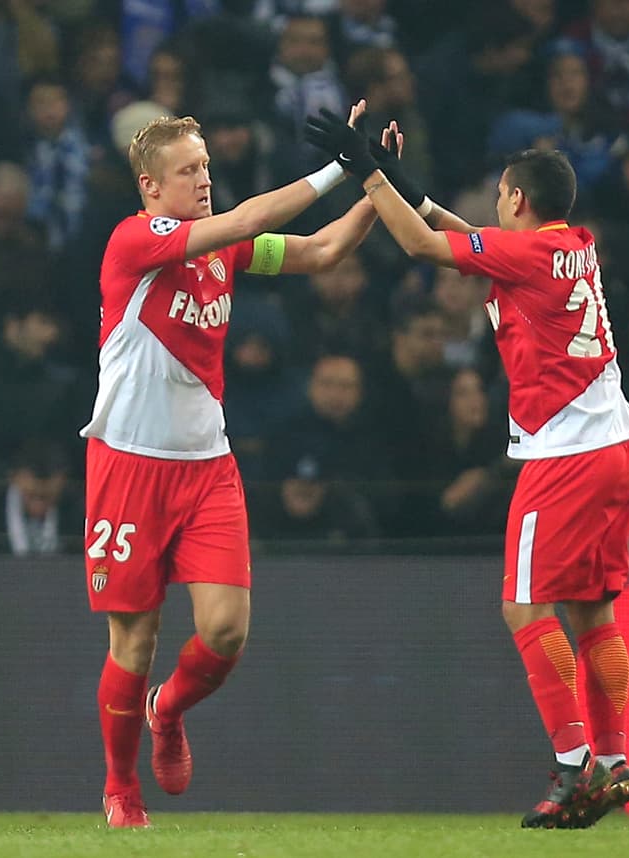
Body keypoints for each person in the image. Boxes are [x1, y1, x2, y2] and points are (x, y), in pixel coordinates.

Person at [304, 111, 629, 828]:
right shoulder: (574, 246)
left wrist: (363, 167)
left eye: (500, 195)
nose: (495, 205)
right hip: (620, 451)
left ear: (518, 200)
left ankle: (571, 760)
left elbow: (427, 244)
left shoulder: (525, 255)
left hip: (564, 457)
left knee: (524, 606)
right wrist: (401, 180)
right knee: (594, 611)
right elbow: (462, 234)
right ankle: (613, 761)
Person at [83, 107, 380, 828]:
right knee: (135, 639)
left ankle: (168, 710)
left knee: (225, 633)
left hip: (206, 467)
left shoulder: (226, 250)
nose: (205, 179)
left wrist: (377, 183)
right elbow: (248, 220)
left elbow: (319, 252)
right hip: (127, 463)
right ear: (152, 188)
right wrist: (338, 166)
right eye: (189, 171)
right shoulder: (136, 240)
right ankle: (121, 789)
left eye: (208, 167)